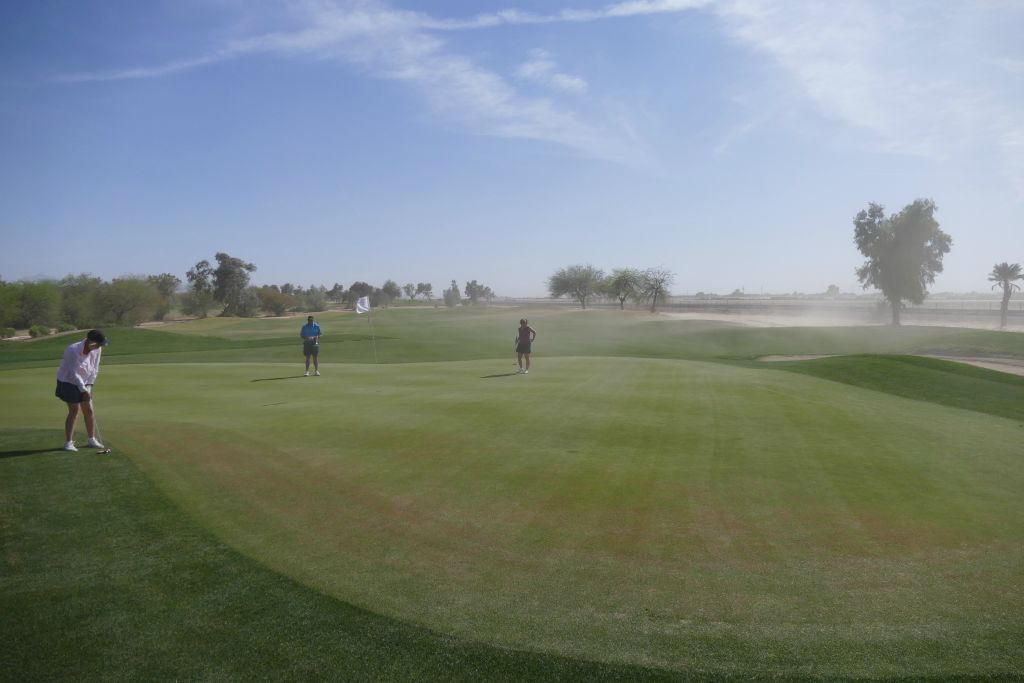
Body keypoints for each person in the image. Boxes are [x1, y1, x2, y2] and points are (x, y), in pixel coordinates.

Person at [55, 329, 108, 451]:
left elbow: (95, 368)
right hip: (68, 382)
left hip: (85, 382)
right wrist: (83, 390)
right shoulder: (73, 350)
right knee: (74, 410)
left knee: (89, 410)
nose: (99, 347)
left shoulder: (97, 348)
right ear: (90, 341)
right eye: (98, 344)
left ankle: (91, 439)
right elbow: (74, 373)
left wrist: (89, 385)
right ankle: (68, 443)